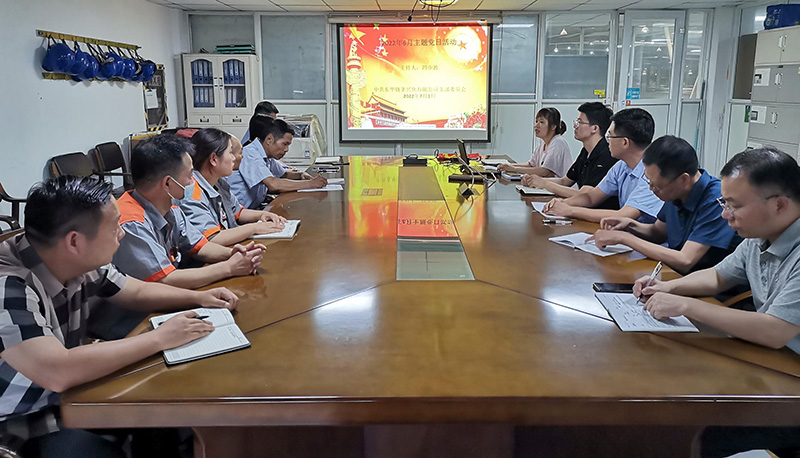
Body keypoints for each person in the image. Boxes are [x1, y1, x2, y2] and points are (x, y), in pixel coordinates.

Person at [0, 176, 238, 457]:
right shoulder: (9, 286)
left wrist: (199, 298)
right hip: (21, 420)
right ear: (75, 241)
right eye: (115, 227)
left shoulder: (71, 255)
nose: (122, 234)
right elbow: (57, 370)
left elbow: (134, 291)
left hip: (69, 393)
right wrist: (160, 338)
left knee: (161, 411)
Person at [634, 147, 800, 457]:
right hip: (773, 365)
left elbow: (775, 331)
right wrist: (667, 287)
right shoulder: (759, 236)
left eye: (734, 205)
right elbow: (718, 276)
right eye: (725, 203)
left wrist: (687, 306)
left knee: (701, 431)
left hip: (791, 381)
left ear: (779, 204)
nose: (726, 215)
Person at [113, 134, 266, 290]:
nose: (194, 182)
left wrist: (234, 254)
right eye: (190, 175)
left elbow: (200, 246)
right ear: (168, 183)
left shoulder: (170, 208)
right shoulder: (132, 223)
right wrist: (229, 268)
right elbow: (164, 280)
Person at [589, 136, 740, 274]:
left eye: (656, 185)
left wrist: (624, 238)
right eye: (649, 182)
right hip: (675, 275)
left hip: (710, 285)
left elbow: (685, 260)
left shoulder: (717, 201)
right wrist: (629, 225)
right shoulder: (676, 192)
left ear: (683, 180)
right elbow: (657, 232)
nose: (651, 189)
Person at [541, 107, 663, 223]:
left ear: (625, 142)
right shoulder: (621, 166)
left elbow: (624, 215)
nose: (607, 141)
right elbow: (591, 197)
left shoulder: (653, 173)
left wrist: (570, 210)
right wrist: (564, 202)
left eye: (610, 136)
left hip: (646, 236)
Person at [181, 128, 288, 246]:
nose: (234, 158)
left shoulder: (219, 183)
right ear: (214, 159)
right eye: (230, 153)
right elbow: (212, 238)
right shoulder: (191, 192)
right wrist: (254, 228)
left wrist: (263, 215)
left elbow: (237, 212)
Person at [522, 102, 618, 207]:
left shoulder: (606, 155)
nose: (575, 126)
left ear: (594, 128)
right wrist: (534, 180)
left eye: (579, 122)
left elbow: (585, 196)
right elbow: (564, 181)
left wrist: (545, 184)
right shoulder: (586, 151)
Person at [226, 116, 327, 209]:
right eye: (285, 144)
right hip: (237, 214)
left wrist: (301, 175)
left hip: (251, 209)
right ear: (269, 140)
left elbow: (284, 174)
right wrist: (310, 184)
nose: (286, 149)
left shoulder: (267, 156)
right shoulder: (251, 154)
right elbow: (273, 184)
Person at [498, 107, 573, 178]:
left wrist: (514, 169)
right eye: (536, 121)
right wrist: (509, 166)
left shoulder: (558, 142)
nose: (536, 126)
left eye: (541, 122)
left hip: (560, 187)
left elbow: (545, 171)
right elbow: (531, 164)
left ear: (553, 126)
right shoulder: (543, 143)